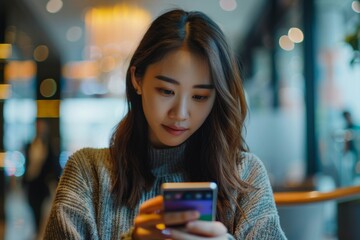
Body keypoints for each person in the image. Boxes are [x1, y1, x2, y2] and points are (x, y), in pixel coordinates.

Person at [44, 9, 286, 239]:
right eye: (166, 91)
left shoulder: (244, 174)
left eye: (199, 97)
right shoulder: (89, 174)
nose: (180, 114)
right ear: (137, 79)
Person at [23, 119, 61, 239]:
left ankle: (39, 232)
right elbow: (27, 165)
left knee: (42, 209)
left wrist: (56, 181)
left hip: (42, 184)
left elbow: (53, 165)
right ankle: (37, 230)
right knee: (32, 206)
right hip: (31, 183)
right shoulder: (29, 145)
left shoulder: (49, 146)